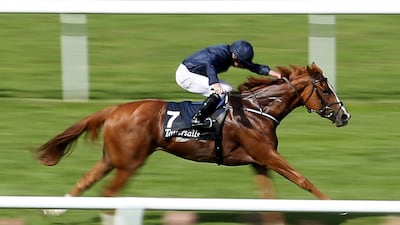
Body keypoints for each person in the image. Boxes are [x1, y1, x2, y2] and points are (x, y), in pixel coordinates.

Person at [175, 40, 281, 128]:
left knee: (228, 90)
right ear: (234, 55)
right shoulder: (221, 53)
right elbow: (209, 64)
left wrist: (274, 74)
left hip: (196, 72)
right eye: (241, 61)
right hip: (186, 75)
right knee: (223, 91)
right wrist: (215, 84)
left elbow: (252, 66)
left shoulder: (231, 54)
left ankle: (216, 116)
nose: (242, 65)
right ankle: (198, 119)